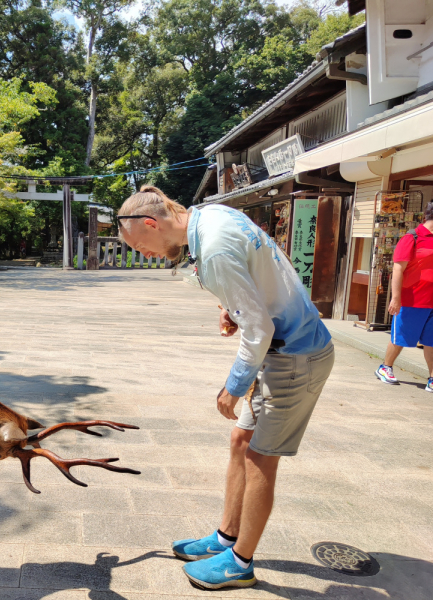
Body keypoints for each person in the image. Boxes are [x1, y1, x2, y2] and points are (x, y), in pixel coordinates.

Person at [117, 186, 334, 590]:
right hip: (283, 349)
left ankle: (240, 562)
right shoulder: (213, 217)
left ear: (151, 223)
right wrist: (234, 306)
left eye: (139, 244)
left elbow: (260, 329)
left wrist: (234, 386)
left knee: (259, 458)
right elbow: (264, 273)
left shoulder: (212, 249)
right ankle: (225, 537)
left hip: (294, 356)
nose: (141, 253)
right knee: (240, 442)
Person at [375, 202, 433, 390]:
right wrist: (396, 298)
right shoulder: (413, 237)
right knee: (400, 337)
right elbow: (398, 269)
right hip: (412, 300)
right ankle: (385, 367)